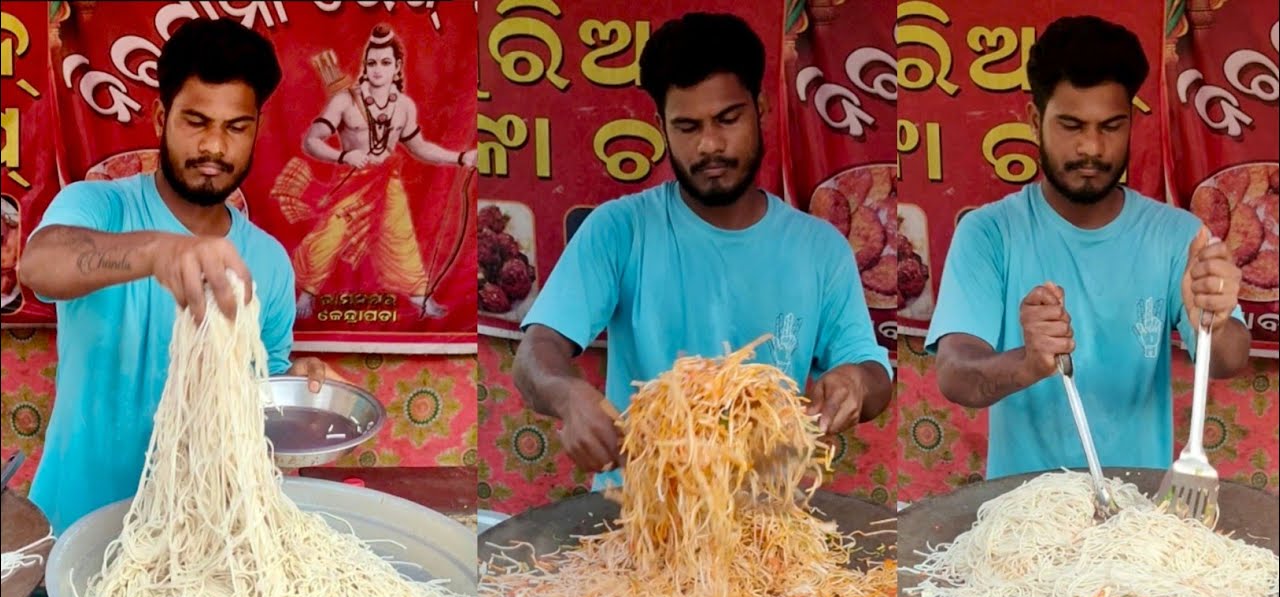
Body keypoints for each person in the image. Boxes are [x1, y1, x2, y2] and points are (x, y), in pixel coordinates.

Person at [512, 12, 893, 489]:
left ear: (762, 108)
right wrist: (566, 393)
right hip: (641, 521)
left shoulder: (821, 250)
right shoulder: (620, 229)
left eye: (727, 119)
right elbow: (535, 352)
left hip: (772, 522)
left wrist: (855, 382)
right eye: (688, 126)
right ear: (662, 126)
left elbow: (875, 375)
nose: (710, 145)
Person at [17, 18, 330, 535]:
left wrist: (301, 388)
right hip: (72, 529)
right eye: (196, 121)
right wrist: (158, 251)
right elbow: (40, 265)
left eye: (235, 127)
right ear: (162, 117)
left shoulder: (268, 262)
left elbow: (260, 398)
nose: (214, 147)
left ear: (256, 130)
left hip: (202, 544)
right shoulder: (98, 205)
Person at [926, 15, 1250, 478]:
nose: (1092, 148)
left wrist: (1214, 321)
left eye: (1111, 126)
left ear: (1132, 123)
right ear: (1036, 120)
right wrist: (1028, 363)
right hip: (1019, 522)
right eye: (1072, 125)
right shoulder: (988, 233)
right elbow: (954, 373)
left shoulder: (1180, 236)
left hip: (1137, 518)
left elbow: (1227, 362)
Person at [288, 23, 477, 320]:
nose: (377, 70)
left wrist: (461, 157)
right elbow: (311, 141)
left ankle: (420, 297)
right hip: (352, 181)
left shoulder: (403, 106)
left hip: (387, 180)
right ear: (365, 65)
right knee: (331, 235)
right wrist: (344, 155)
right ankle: (307, 294)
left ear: (397, 67)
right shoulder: (345, 101)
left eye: (385, 63)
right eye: (372, 63)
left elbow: (418, 147)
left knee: (400, 237)